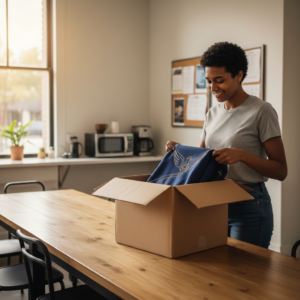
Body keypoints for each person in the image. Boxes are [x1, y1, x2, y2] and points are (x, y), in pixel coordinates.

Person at [166, 42, 287, 249]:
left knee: (245, 276)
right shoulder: (212, 113)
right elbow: (204, 159)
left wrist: (243, 155)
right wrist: (181, 151)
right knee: (216, 274)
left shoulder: (261, 111)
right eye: (209, 81)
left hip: (249, 205)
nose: (213, 88)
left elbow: (281, 170)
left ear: (238, 76)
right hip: (214, 202)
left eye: (219, 81)